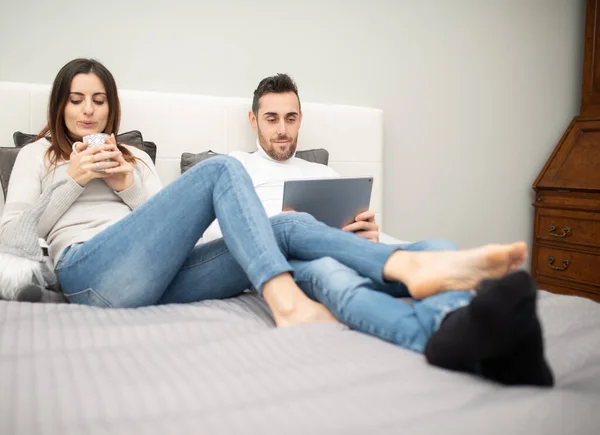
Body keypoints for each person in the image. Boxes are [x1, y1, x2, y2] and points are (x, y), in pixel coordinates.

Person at [0, 58, 526, 331]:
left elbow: (170, 226)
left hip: (155, 279)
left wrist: (124, 181)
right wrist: (70, 177)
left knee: (288, 226)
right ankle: (286, 303)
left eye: (98, 101)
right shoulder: (39, 155)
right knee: (223, 169)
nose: (88, 111)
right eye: (76, 101)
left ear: (112, 108)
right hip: (88, 274)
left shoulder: (134, 160)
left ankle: (405, 265)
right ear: (60, 106)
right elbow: (14, 242)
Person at [198, 73, 554, 387]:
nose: (281, 130)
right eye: (271, 118)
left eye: (290, 118)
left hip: (356, 250)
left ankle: (465, 316)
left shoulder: (325, 174)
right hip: (291, 260)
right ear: (253, 120)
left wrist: (370, 234)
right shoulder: (235, 169)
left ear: (301, 119)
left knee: (441, 248)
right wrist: (282, 224)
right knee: (333, 274)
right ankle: (453, 333)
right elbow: (215, 239)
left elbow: (359, 225)